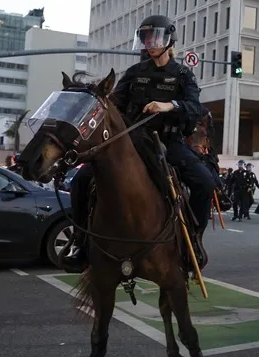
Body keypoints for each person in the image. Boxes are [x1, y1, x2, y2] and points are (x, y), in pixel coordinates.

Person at [59, 15, 215, 273]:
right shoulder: (134, 73)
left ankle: (193, 241)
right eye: (145, 38)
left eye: (154, 38)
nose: (149, 43)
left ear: (168, 40)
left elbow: (195, 108)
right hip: (132, 139)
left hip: (168, 140)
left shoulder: (183, 74)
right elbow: (115, 104)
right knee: (81, 180)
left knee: (205, 182)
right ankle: (81, 243)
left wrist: (169, 105)